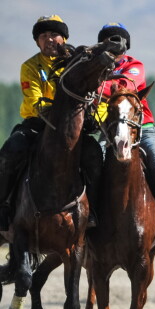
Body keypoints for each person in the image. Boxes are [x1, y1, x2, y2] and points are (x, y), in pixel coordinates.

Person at [0, 15, 103, 231]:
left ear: (64, 38)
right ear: (37, 41)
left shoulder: (78, 65)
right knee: (9, 152)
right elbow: (34, 100)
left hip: (72, 128)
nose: (49, 39)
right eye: (43, 35)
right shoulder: (29, 67)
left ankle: (94, 212)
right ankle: (4, 207)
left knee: (94, 155)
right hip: (37, 125)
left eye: (54, 34)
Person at [96, 23, 155, 250]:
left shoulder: (135, 66)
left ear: (125, 45)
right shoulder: (95, 67)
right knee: (89, 169)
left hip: (143, 128)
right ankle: (88, 223)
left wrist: (96, 85)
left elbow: (125, 86)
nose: (112, 46)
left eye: (117, 40)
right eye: (107, 41)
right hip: (106, 130)